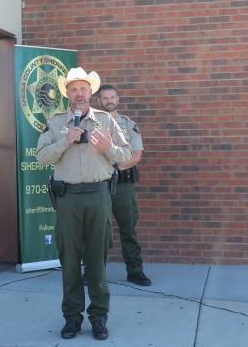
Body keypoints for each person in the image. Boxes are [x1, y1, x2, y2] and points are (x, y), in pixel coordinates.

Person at [36, 67, 132, 341]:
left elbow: (125, 156)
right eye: (73, 89)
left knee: (97, 260)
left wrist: (108, 148)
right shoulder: (56, 123)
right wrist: (63, 142)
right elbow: (42, 158)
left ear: (91, 92)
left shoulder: (105, 121)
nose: (79, 94)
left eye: (83, 89)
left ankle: (99, 317)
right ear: (67, 93)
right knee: (68, 260)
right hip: (68, 199)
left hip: (99, 196)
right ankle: (72, 318)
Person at [97, 84, 151, 287]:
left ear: (118, 100)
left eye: (112, 97)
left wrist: (115, 167)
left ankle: (135, 272)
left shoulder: (129, 124)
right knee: (97, 231)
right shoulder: (91, 123)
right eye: (105, 98)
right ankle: (94, 273)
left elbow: (136, 155)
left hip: (123, 186)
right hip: (99, 185)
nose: (109, 101)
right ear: (99, 101)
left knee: (128, 229)